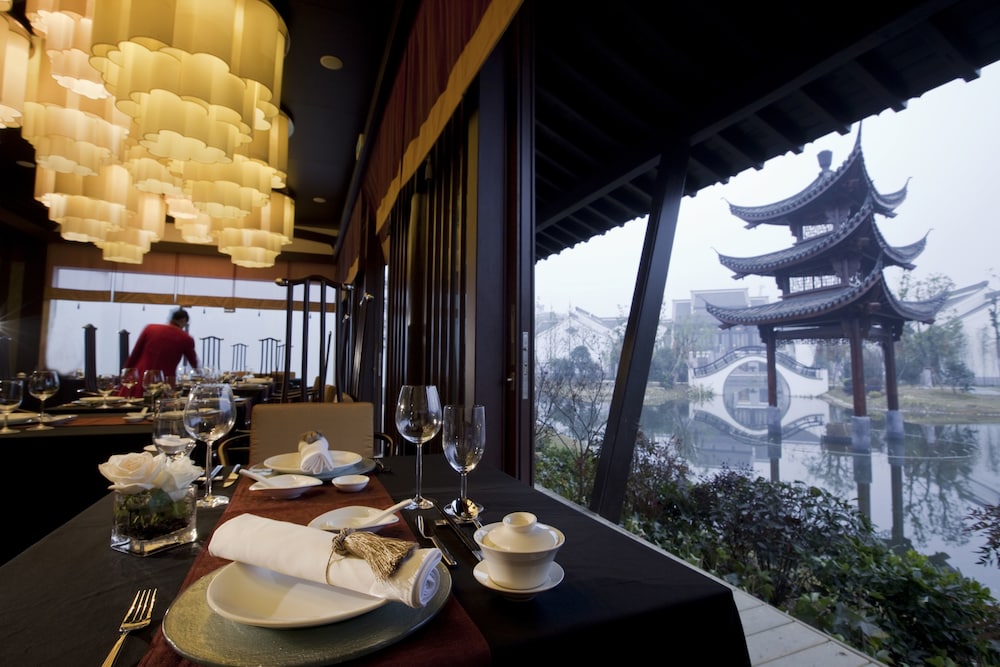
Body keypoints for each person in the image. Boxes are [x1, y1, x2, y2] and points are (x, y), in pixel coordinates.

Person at [120, 308, 199, 398]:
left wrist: (125, 374)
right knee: (160, 405)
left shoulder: (150, 328)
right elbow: (194, 363)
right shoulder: (186, 338)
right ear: (183, 320)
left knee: (133, 403)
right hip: (165, 382)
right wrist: (201, 375)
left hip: (140, 377)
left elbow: (135, 354)